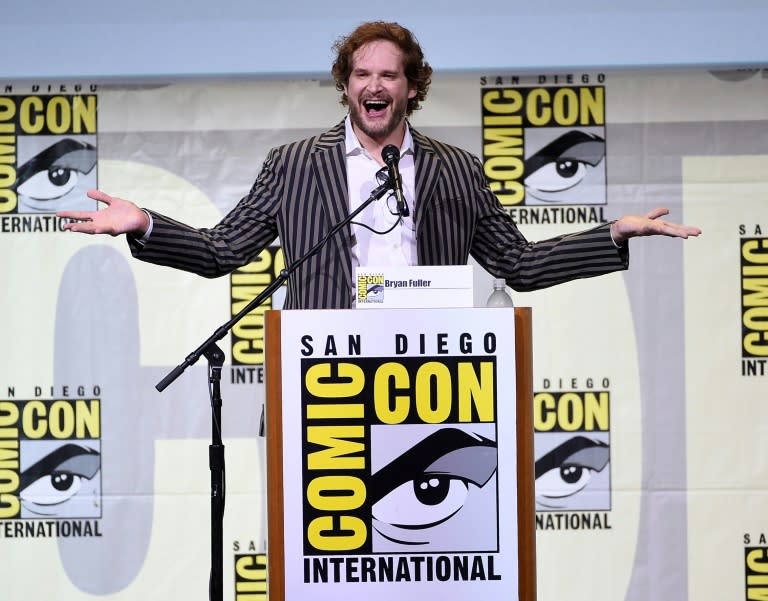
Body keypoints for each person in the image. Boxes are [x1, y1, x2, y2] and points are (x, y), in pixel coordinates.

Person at [58, 21, 700, 309]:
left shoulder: (455, 169)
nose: (375, 84)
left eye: (389, 75)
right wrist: (144, 225)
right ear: (346, 86)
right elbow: (224, 250)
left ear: (412, 87)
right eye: (362, 73)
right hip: (323, 383)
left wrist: (610, 236)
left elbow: (519, 266)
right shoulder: (294, 165)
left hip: (435, 385)